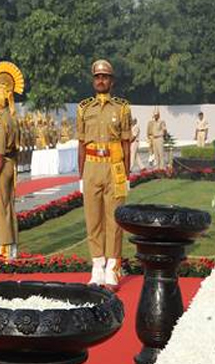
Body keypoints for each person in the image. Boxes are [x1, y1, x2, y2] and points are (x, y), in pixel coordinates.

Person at [77, 59, 131, 290]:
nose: (101, 80)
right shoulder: (84, 108)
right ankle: (97, 266)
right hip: (91, 165)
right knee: (93, 219)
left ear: (112, 81)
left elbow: (127, 143)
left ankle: (112, 268)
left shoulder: (121, 108)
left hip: (114, 166)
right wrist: (80, 177)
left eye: (105, 77)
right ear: (93, 81)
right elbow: (80, 144)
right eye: (97, 77)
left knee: (114, 220)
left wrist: (127, 176)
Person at [0, 61, 24, 260]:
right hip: (9, 165)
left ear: (0, 98)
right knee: (9, 206)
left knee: (1, 208)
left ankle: (5, 248)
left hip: (1, 165)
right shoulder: (11, 118)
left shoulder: (1, 121)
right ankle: (12, 246)